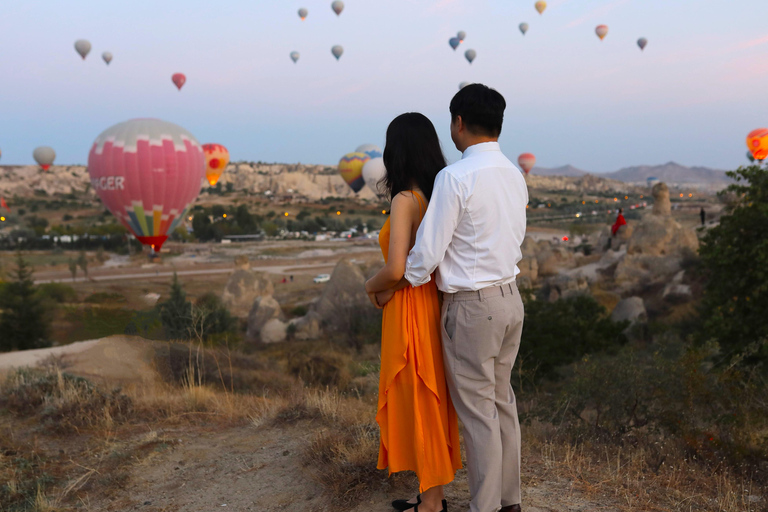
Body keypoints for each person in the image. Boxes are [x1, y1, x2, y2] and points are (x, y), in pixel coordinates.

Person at [380, 84, 528, 512]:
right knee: (503, 403)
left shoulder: (456, 178)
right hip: (510, 299)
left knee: (479, 415)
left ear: (459, 123)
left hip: (472, 307)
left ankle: (485, 508)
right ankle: (508, 500)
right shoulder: (514, 175)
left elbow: (425, 255)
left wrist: (391, 284)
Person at [364, 113, 462, 512]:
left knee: (417, 395)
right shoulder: (434, 196)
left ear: (395, 151)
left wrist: (370, 287)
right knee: (429, 395)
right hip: (429, 303)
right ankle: (430, 491)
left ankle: (433, 502)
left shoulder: (405, 200)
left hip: (407, 308)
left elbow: (396, 269)